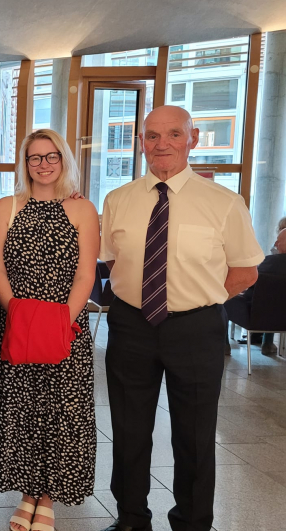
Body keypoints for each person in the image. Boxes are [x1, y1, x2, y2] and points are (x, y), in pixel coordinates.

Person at [99, 105, 263, 531]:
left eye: (174, 134)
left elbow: (245, 271)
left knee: (193, 435)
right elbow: (112, 260)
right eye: (152, 135)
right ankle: (131, 519)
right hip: (131, 324)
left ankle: (192, 522)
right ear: (141, 143)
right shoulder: (118, 199)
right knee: (130, 431)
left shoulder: (225, 203)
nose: (162, 143)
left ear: (193, 138)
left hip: (195, 327)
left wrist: (194, 299)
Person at [0, 129, 99, 531]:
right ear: (24, 162)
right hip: (15, 323)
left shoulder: (82, 209)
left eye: (51, 156)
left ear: (64, 160)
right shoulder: (7, 207)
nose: (43, 164)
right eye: (35, 158)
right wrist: (15, 312)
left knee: (61, 413)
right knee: (21, 410)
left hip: (65, 325)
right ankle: (28, 493)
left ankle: (48, 495)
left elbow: (86, 274)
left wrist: (59, 323)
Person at [225, 227, 286, 356]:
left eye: (278, 240)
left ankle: (224, 344)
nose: (275, 244)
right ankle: (267, 343)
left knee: (224, 299)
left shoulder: (269, 262)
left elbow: (252, 285)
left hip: (255, 315)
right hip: (281, 317)